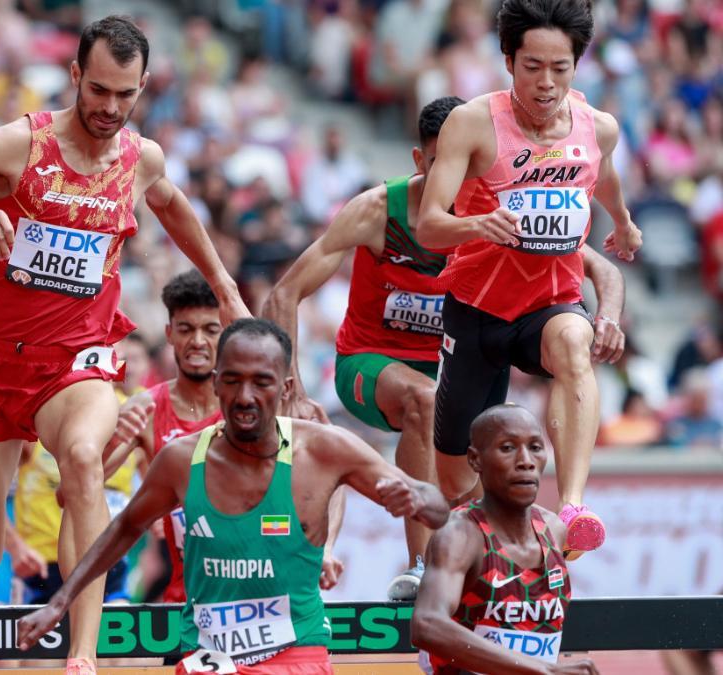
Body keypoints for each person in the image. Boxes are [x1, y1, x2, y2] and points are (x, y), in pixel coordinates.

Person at [0, 16, 246, 674]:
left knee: (82, 459)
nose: (110, 108)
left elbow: (171, 204)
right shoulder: (15, 145)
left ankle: (83, 653)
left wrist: (222, 283)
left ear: (141, 90)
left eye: (125, 95)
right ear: (75, 76)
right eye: (99, 90)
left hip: (76, 364)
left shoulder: (142, 158)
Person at [265, 96, 626, 599]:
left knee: (474, 481)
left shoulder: (501, 209)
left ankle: (519, 577)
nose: (450, 182)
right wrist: (294, 393)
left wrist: (605, 316)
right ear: (420, 162)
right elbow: (283, 294)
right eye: (439, 165)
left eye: (463, 168)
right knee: (423, 398)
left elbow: (602, 268)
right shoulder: (376, 211)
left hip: (459, 365)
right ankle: (420, 564)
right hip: (371, 365)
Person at [17, 319, 449, 674]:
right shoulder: (181, 461)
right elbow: (125, 527)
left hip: (295, 656)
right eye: (234, 381)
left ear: (285, 387)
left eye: (261, 382)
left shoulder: (324, 448)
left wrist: (416, 498)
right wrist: (60, 602)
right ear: (217, 383)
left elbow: (436, 504)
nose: (245, 397)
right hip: (208, 660)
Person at [416, 0, 643, 559]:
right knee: (453, 477)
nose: (545, 83)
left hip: (548, 303)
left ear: (577, 64)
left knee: (575, 341)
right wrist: (477, 223)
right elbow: (428, 226)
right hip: (475, 310)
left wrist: (626, 224)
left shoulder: (599, 128)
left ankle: (571, 507)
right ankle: (490, 550)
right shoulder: (471, 123)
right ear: (508, 60)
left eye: (559, 68)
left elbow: (604, 178)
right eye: (532, 67)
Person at [412, 404, 597, 675]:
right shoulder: (460, 535)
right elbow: (427, 624)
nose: (526, 461)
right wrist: (542, 669)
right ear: (475, 459)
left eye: (535, 447)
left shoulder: (553, 529)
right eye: (508, 448)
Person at [100, 270, 224, 604]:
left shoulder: (249, 406)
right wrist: (112, 441)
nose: (198, 340)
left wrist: (324, 550)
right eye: (186, 329)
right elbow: (73, 492)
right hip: (183, 600)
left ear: (224, 333)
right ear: (169, 334)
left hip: (253, 599)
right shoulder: (145, 409)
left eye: (210, 330)